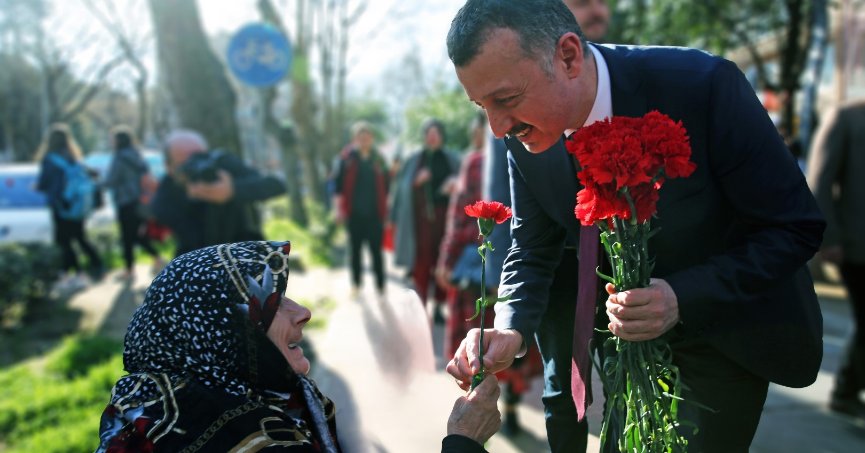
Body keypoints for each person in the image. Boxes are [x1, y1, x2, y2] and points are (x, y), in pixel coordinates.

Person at [445, 1, 825, 451]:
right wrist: (510, 328)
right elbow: (531, 248)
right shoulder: (522, 135)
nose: (497, 127)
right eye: (481, 106)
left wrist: (681, 297)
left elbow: (794, 226)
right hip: (621, 359)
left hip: (721, 342)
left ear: (567, 56)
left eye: (505, 100)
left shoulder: (702, 86)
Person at [95, 240, 502, 452]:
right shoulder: (250, 440)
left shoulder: (146, 408)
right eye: (273, 304)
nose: (303, 312)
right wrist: (464, 439)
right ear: (226, 338)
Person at [480, 0, 610, 449]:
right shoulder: (514, 99)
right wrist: (507, 299)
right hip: (556, 269)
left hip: (619, 273)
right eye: (582, 0)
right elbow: (509, 199)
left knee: (624, 381)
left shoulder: (621, 80)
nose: (597, 9)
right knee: (564, 383)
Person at [437, 114, 543, 437]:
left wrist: (447, 259)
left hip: (493, 268)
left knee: (489, 343)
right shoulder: (529, 154)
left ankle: (482, 409)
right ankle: (504, 409)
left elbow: (458, 218)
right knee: (508, 340)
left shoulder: (476, 163)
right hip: (512, 268)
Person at [807, 99, 865, 419]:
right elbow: (821, 180)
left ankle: (848, 387)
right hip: (857, 244)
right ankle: (845, 389)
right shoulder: (846, 117)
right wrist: (829, 239)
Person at [150, 129, 286, 257]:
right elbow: (159, 211)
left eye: (200, 156)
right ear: (169, 167)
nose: (195, 164)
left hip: (243, 251)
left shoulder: (223, 165)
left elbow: (275, 185)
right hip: (197, 258)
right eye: (186, 162)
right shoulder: (171, 186)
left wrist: (233, 190)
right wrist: (190, 197)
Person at [390, 119, 460, 320]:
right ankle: (420, 306)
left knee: (443, 261)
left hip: (446, 219)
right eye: (428, 133)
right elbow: (401, 189)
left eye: (436, 133)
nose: (432, 137)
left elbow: (465, 185)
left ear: (442, 136)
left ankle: (438, 306)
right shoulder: (414, 160)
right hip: (420, 221)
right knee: (421, 262)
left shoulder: (452, 159)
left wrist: (454, 184)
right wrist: (415, 181)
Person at [35, 122, 104, 289]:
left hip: (61, 206)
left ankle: (72, 274)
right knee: (79, 237)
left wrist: (39, 187)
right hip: (77, 207)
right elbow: (92, 175)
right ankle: (93, 266)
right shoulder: (74, 159)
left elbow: (44, 183)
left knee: (63, 241)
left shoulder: (50, 160)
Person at [332, 122, 390, 298]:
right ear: (354, 139)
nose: (364, 141)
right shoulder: (346, 159)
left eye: (367, 137)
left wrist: (387, 212)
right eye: (360, 137)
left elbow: (387, 186)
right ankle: (356, 285)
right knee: (355, 252)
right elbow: (337, 187)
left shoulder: (378, 160)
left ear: (372, 139)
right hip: (354, 214)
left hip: (375, 215)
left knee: (376, 252)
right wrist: (338, 210)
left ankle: (380, 286)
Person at [102, 125, 164, 280]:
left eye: (112, 139)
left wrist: (97, 183)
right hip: (142, 200)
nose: (111, 142)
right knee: (136, 234)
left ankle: (130, 270)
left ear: (118, 141)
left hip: (126, 201)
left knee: (128, 236)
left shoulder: (119, 157)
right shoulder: (137, 155)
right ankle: (157, 258)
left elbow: (112, 180)